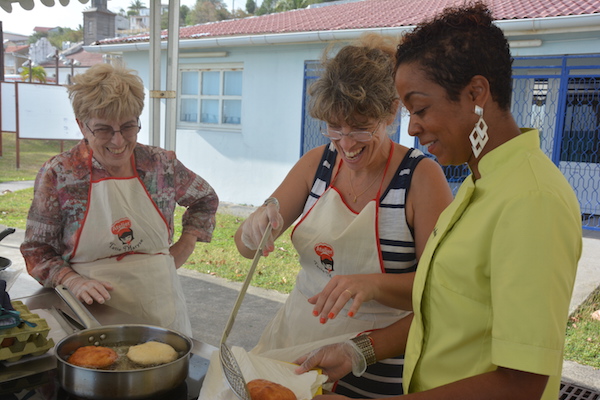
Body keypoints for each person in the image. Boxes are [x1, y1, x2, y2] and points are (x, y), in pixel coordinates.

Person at [295, 3, 583, 400]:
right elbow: (442, 315)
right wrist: (356, 352)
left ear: (476, 94)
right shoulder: (479, 184)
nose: (412, 127)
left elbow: (522, 383)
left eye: (421, 108)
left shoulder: (531, 199)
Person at [235, 33, 453, 398]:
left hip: (378, 361)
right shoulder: (315, 165)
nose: (346, 143)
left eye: (360, 129)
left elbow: (442, 293)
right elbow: (245, 246)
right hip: (295, 347)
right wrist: (254, 229)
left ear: (390, 113)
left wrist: (372, 285)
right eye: (335, 127)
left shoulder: (420, 178)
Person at [20, 63, 219, 337]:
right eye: (103, 129)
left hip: (162, 309)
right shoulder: (61, 174)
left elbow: (205, 198)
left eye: (127, 126)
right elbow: (37, 251)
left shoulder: (161, 165)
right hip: (90, 313)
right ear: (82, 125)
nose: (118, 141)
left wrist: (188, 241)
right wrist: (71, 280)